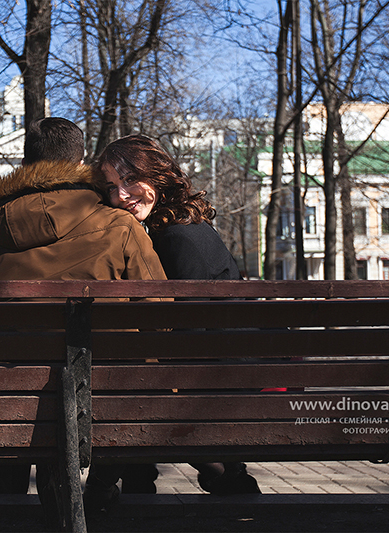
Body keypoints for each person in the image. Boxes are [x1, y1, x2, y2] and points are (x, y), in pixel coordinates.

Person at [0, 119, 167, 496]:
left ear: (26, 165)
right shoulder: (119, 225)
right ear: (81, 163)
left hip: (11, 396)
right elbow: (160, 315)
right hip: (99, 395)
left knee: (10, 383)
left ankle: (10, 503)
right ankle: (96, 491)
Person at [87, 134, 262, 499]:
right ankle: (221, 478)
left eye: (130, 179)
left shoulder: (176, 238)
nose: (121, 195)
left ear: (158, 176)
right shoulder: (181, 226)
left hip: (215, 383)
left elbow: (186, 335)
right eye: (112, 187)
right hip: (220, 372)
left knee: (132, 395)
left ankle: (224, 480)